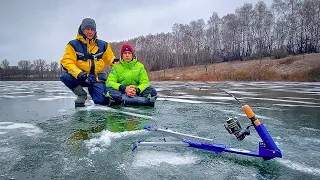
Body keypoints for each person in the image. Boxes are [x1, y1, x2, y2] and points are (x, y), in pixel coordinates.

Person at [60, 18, 115, 107]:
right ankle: (81, 94)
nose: (90, 32)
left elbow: (110, 59)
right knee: (66, 77)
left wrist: (116, 63)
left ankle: (96, 92)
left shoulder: (104, 45)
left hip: (97, 78)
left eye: (92, 29)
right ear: (82, 30)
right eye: (87, 29)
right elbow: (67, 61)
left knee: (101, 101)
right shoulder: (72, 44)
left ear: (95, 31)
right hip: (81, 77)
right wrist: (81, 74)